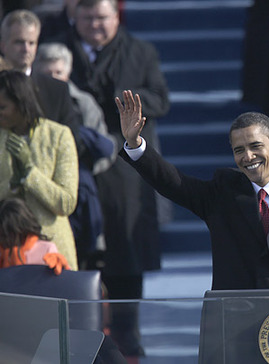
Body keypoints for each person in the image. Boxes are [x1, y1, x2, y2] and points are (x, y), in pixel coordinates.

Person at [116, 90, 269, 289]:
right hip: (237, 322)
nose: (248, 156)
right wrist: (136, 146)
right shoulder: (223, 192)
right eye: (239, 150)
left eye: (256, 146)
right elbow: (174, 183)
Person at [56, 0, 170, 356]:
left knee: (126, 250)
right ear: (75, 16)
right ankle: (79, 332)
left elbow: (161, 100)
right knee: (79, 251)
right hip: (72, 163)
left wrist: (126, 102)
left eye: (103, 17)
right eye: (88, 17)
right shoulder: (58, 49)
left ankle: (126, 329)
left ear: (116, 16)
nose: (95, 25)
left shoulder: (141, 51)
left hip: (126, 169)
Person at [33, 42, 116, 268]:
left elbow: (108, 148)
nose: (53, 78)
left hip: (81, 193)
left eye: (58, 72)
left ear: (68, 72)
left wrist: (83, 168)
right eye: (47, 73)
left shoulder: (85, 103)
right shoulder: (27, 102)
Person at [0, 70, 79, 270]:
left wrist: (29, 174)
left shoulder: (58, 136)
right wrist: (13, 185)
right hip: (5, 257)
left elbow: (66, 203)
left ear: (21, 104)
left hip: (52, 256)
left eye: (2, 107)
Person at [0, 9, 82, 148]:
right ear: (3, 45)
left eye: (31, 43)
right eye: (19, 42)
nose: (26, 49)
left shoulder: (57, 89)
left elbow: (72, 142)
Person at [0, 197, 70, 275]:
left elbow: (60, 280)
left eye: (4, 234)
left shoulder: (46, 249)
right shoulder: (2, 253)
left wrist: (61, 267)